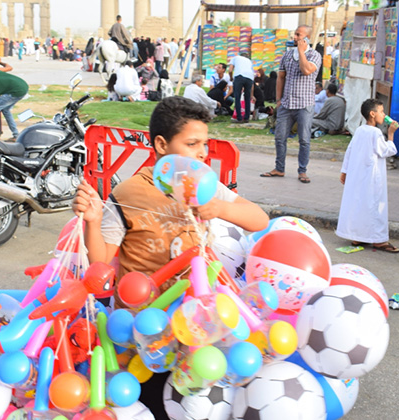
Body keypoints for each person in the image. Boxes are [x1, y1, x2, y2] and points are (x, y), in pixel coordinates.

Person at [72, 96, 268, 419]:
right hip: (147, 328)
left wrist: (221, 208)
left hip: (196, 322)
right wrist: (93, 220)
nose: (202, 153)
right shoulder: (128, 193)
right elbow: (101, 260)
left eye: (205, 143)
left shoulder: (203, 185)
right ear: (161, 144)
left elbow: (259, 219)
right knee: (154, 404)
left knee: (198, 402)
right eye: (192, 144)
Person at [260, 25, 321, 184]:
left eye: (298, 35)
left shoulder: (315, 55)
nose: (294, 37)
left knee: (304, 139)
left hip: (305, 105)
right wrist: (279, 100)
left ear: (306, 38)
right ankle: (279, 168)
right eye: (295, 34)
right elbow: (281, 77)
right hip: (286, 104)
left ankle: (302, 171)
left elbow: (307, 70)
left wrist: (301, 51)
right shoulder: (287, 55)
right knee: (280, 137)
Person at [336, 99, 399, 252]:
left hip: (358, 175)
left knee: (359, 204)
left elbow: (349, 151)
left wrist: (344, 170)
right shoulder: (375, 132)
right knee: (375, 205)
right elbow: (386, 151)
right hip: (372, 177)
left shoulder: (360, 130)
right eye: (382, 111)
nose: (384, 115)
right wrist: (391, 135)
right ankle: (378, 240)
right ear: (373, 114)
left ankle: (358, 236)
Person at [229, 51, 255, 123]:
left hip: (239, 76)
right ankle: (246, 118)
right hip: (249, 78)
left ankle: (239, 118)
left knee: (237, 97)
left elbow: (230, 70)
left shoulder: (235, 58)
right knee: (247, 98)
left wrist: (231, 78)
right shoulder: (249, 61)